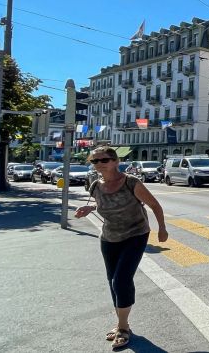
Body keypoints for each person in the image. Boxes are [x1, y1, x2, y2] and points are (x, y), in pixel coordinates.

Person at [74, 146, 168, 350]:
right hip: (109, 237)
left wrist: (162, 229)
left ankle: (123, 327)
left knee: (121, 280)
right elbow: (101, 205)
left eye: (104, 160)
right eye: (94, 161)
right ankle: (120, 324)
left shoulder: (131, 183)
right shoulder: (95, 185)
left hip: (136, 234)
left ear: (116, 161)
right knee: (112, 280)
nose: (99, 164)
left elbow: (155, 205)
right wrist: (89, 208)